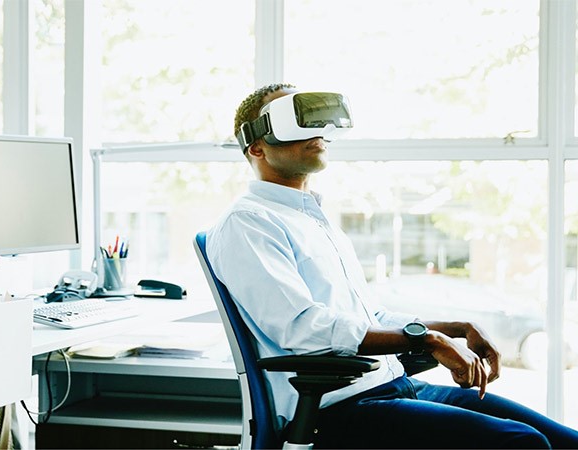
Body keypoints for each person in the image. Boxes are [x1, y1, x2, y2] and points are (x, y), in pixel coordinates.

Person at [205, 83, 578, 448]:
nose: (317, 132)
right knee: (522, 443)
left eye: (316, 123)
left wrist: (457, 329)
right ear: (256, 147)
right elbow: (300, 328)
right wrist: (430, 341)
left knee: (566, 441)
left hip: (398, 386)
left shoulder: (313, 220)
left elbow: (370, 318)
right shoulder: (249, 223)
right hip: (341, 406)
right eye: (295, 122)